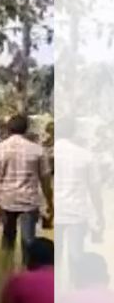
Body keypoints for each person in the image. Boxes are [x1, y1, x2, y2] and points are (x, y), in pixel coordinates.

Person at [52, 115, 105, 287]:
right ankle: (75, 291)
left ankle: (55, 289)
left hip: (55, 210)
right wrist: (99, 213)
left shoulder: (49, 153)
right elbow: (95, 189)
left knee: (55, 255)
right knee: (76, 256)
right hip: (77, 211)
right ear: (74, 131)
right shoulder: (85, 155)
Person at [0, 115, 52, 259]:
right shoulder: (37, 150)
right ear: (26, 129)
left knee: (7, 239)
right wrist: (50, 203)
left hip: (7, 200)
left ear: (8, 129)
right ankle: (28, 269)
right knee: (28, 241)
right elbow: (45, 180)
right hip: (28, 201)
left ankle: (6, 268)